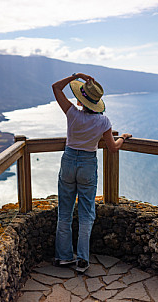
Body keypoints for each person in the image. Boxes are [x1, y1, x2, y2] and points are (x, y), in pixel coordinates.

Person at [52, 73, 132, 273]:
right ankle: (82, 260)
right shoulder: (103, 122)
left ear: (81, 98)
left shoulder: (72, 112)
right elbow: (113, 148)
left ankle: (63, 257)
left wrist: (76, 76)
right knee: (87, 213)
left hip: (69, 161)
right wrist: (122, 137)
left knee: (65, 212)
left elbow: (55, 87)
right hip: (88, 164)